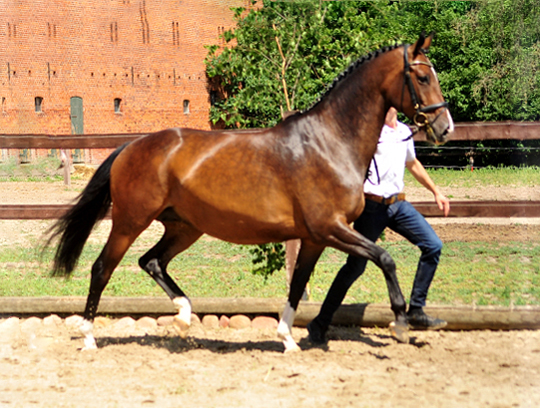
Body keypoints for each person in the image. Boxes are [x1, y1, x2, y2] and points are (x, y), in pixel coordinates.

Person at [307, 107, 450, 344]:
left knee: (433, 245)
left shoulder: (404, 131)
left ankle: (415, 310)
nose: (388, 106)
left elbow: (412, 164)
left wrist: (436, 191)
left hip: (398, 205)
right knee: (355, 268)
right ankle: (319, 323)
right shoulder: (370, 131)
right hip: (371, 209)